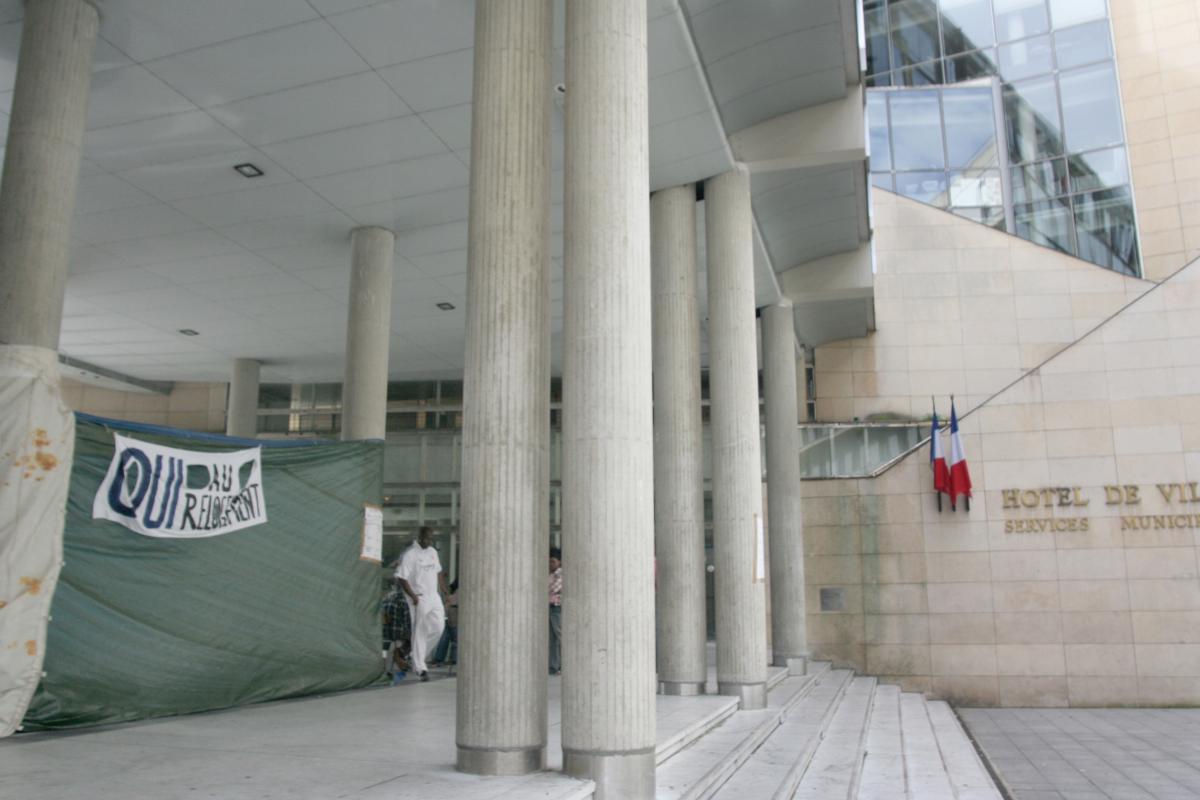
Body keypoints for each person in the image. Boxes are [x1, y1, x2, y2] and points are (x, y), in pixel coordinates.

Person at [395, 526, 448, 682]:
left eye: (431, 539)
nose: (429, 541)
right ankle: (420, 668)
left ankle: (413, 655)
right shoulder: (410, 554)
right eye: (426, 538)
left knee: (439, 628)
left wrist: (445, 591)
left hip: (434, 596)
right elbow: (401, 577)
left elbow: (438, 572)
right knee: (419, 631)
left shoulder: (433, 552)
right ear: (419, 537)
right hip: (419, 597)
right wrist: (413, 597)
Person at [379, 579, 410, 685]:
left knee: (385, 652)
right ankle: (397, 669)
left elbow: (383, 614)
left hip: (386, 630)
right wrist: (408, 633)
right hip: (398, 632)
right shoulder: (403, 600)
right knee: (398, 652)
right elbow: (406, 618)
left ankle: (385, 670)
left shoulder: (386, 597)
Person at [429, 581, 458, 667]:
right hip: (451, 613)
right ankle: (450, 659)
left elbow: (451, 601)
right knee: (451, 637)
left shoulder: (456, 592)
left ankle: (442, 658)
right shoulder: (457, 591)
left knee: (448, 637)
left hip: (450, 613)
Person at [548, 547, 562, 675]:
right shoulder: (551, 574)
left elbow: (553, 588)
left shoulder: (559, 574)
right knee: (552, 640)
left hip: (557, 608)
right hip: (550, 607)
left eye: (553, 561)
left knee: (560, 636)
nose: (550, 564)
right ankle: (554, 666)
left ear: (559, 562)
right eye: (549, 561)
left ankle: (561, 665)